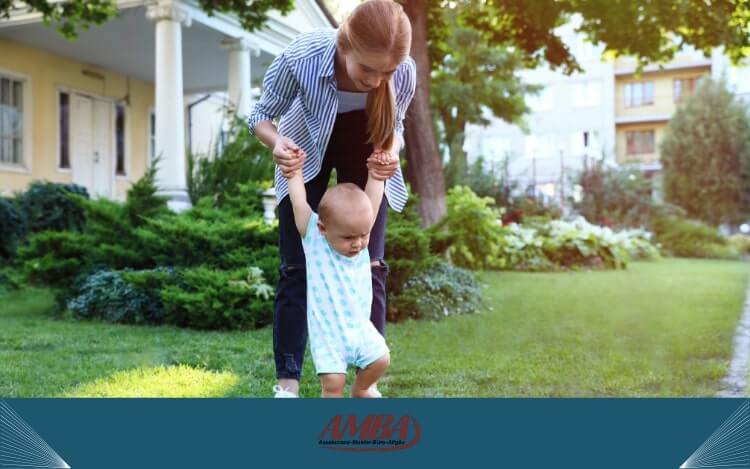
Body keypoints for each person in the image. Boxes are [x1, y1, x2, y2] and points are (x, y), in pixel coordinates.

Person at [247, 0, 415, 397]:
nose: (377, 81)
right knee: (295, 267)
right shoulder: (302, 56)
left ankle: (364, 378)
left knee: (369, 262)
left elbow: (398, 125)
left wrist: (391, 152)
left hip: (368, 146)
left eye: (386, 72)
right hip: (304, 147)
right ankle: (287, 382)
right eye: (367, 69)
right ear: (345, 45)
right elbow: (260, 116)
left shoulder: (403, 71)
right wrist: (278, 144)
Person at [284, 149, 394, 397]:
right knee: (333, 384)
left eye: (363, 235)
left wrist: (376, 176)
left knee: (381, 359)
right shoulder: (314, 238)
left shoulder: (360, 240)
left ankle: (362, 389)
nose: (357, 243)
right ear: (323, 229)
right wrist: (294, 174)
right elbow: (299, 203)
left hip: (360, 328)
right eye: (348, 237)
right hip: (329, 335)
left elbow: (372, 203)